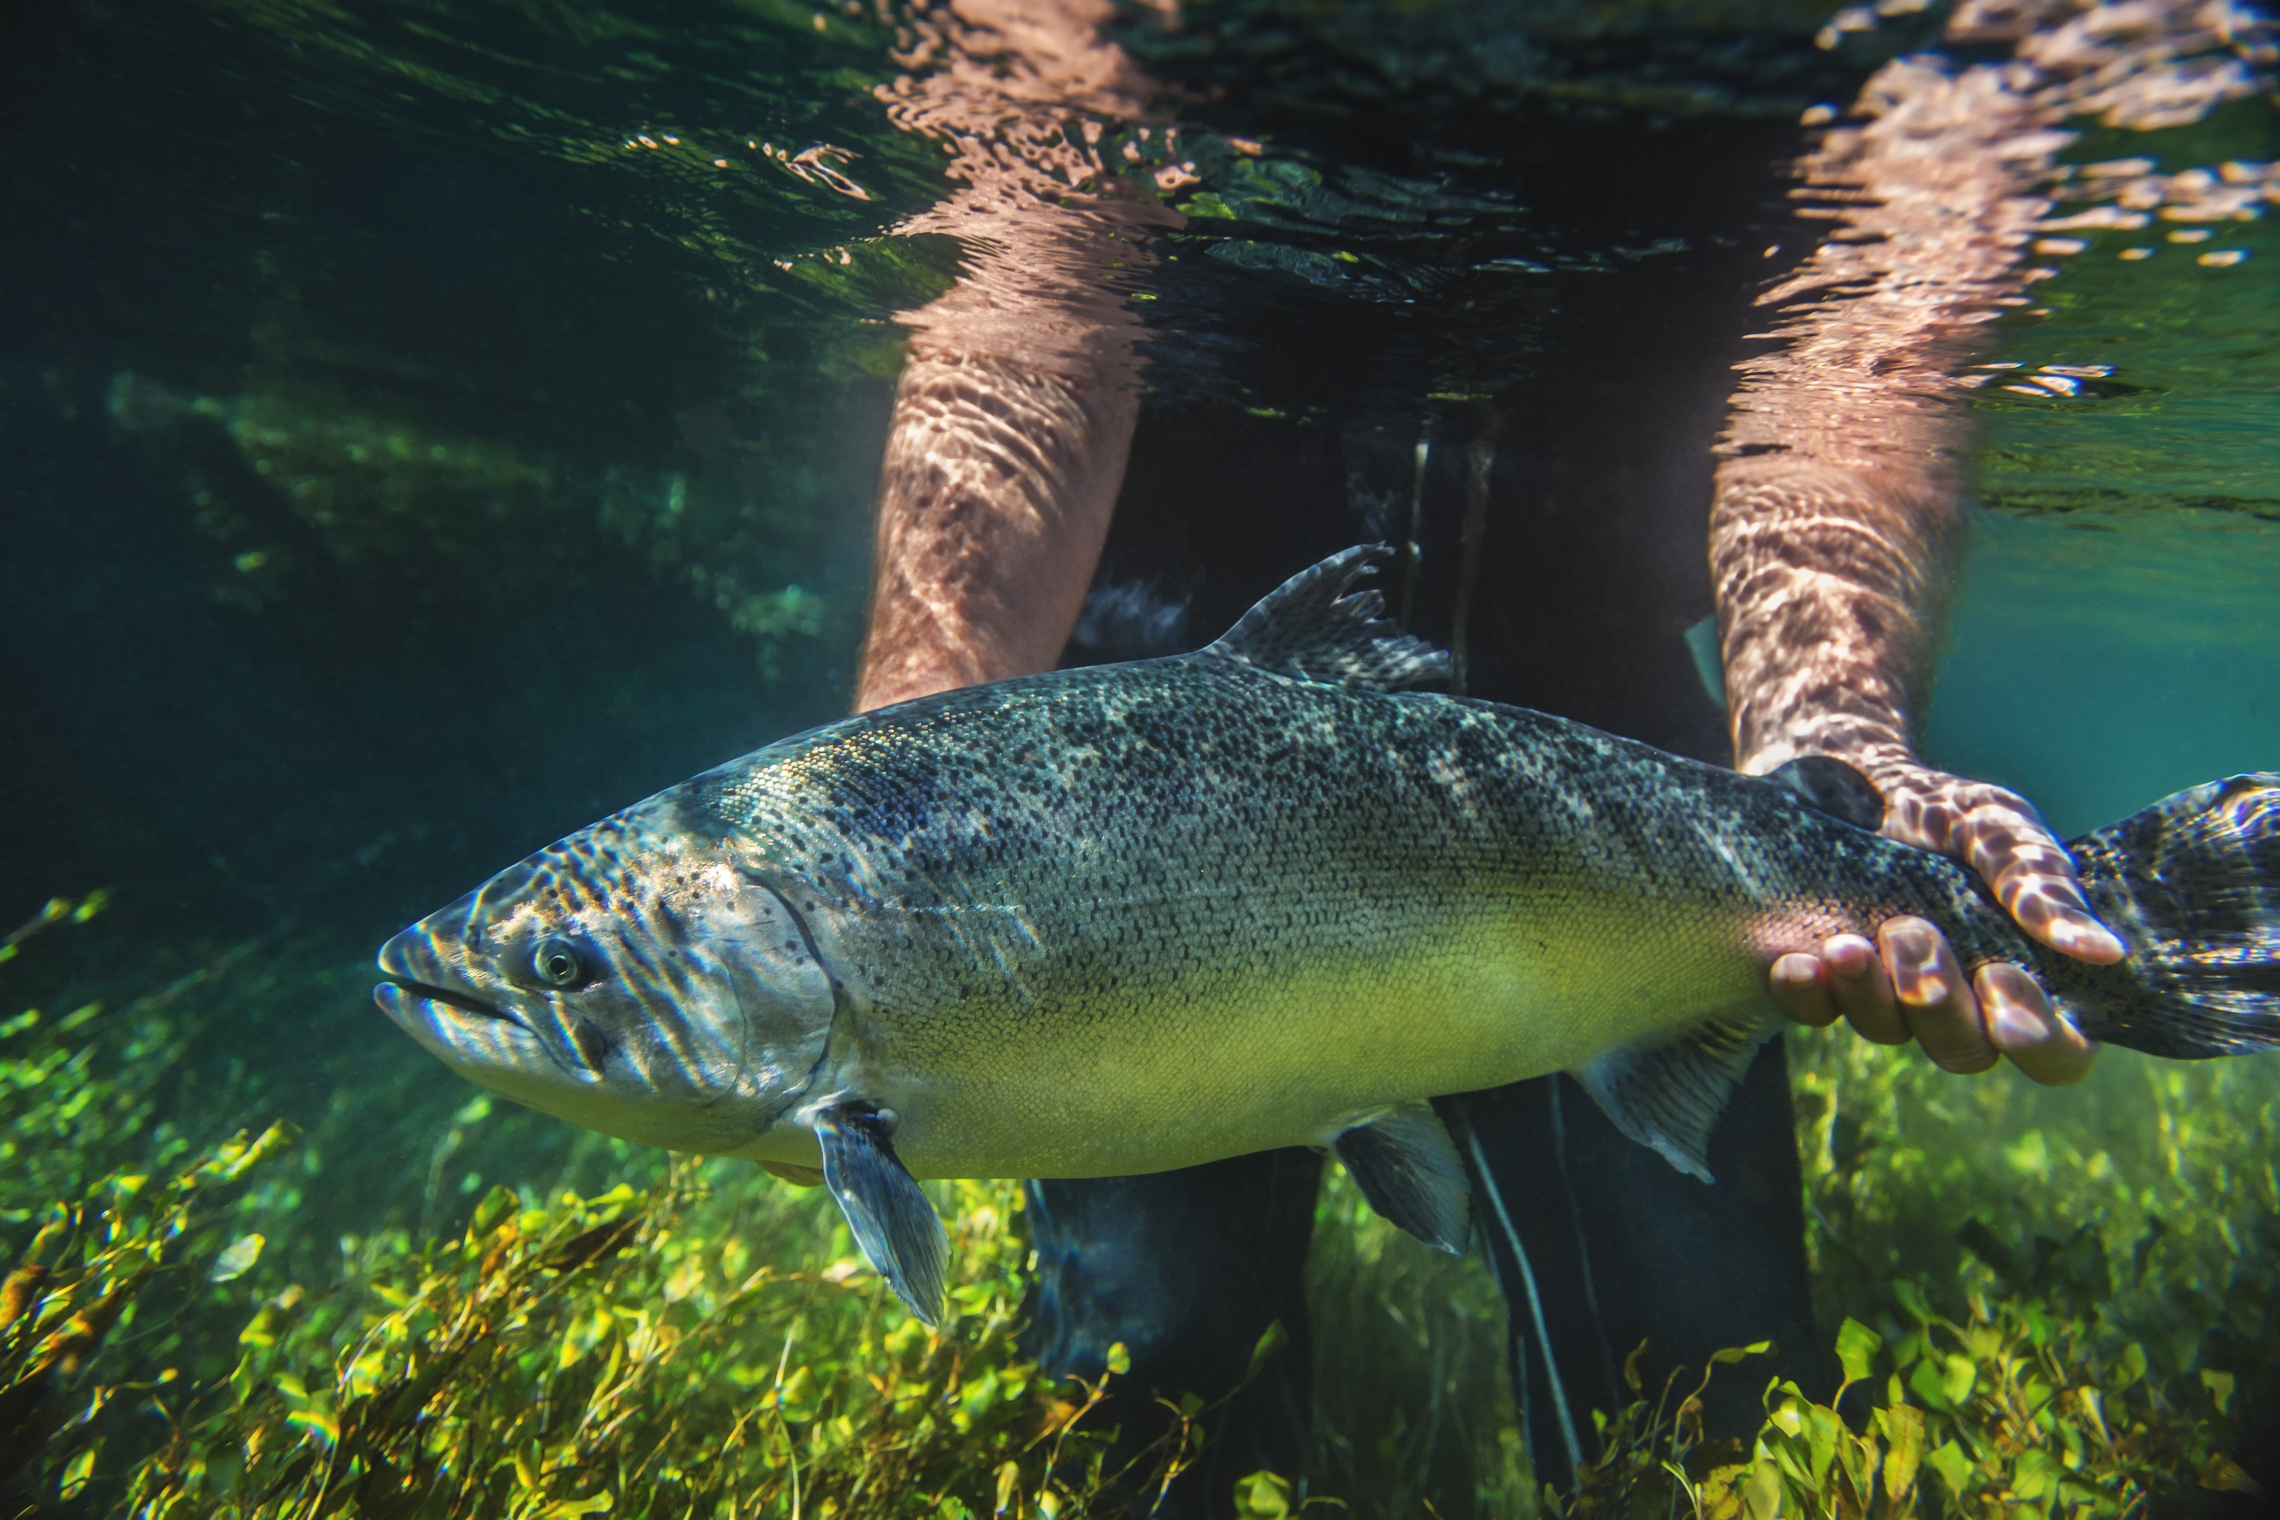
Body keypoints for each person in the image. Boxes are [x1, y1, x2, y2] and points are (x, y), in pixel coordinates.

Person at [843, 0, 2258, 1506]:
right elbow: (1029, 313)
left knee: (1714, 1391)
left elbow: (1875, 328)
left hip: (1594, 752)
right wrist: (899, 784)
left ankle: (2161, 925)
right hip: (1132, 789)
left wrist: (1832, 742)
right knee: (1140, 1383)